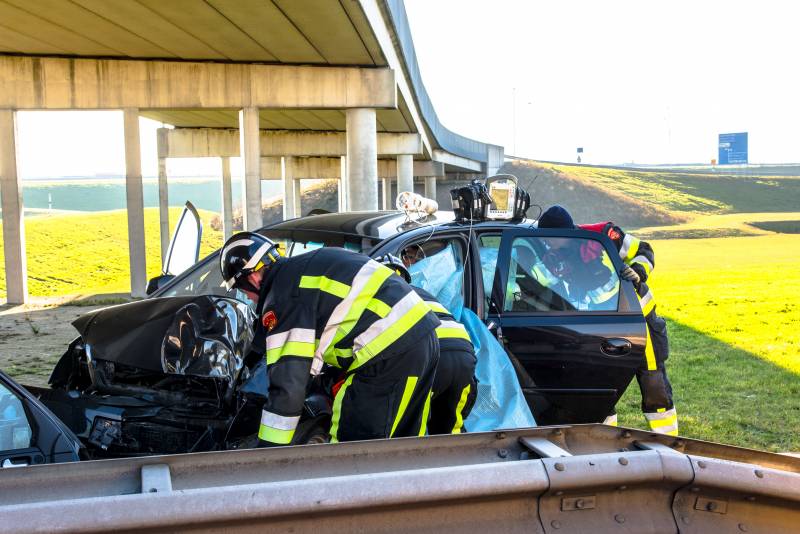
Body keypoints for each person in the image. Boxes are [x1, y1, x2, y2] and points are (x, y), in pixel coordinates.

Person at [220, 232, 441, 447]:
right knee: (405, 445)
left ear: (253, 277)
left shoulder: (284, 296)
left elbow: (289, 386)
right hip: (422, 337)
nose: (246, 298)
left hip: (387, 351)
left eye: (242, 291)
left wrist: (266, 454)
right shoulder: (304, 271)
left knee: (354, 449)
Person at [538, 205, 678, 436]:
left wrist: (638, 272)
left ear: (564, 233)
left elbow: (644, 250)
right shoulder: (550, 256)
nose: (547, 244)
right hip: (599, 326)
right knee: (598, 386)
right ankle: (604, 441)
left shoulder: (603, 235)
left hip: (638, 318)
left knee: (653, 382)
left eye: (550, 239)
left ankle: (668, 441)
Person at [378, 254, 478, 434]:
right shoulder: (421, 293)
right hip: (464, 354)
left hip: (430, 356)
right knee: (451, 432)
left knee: (410, 430)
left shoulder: (382, 294)